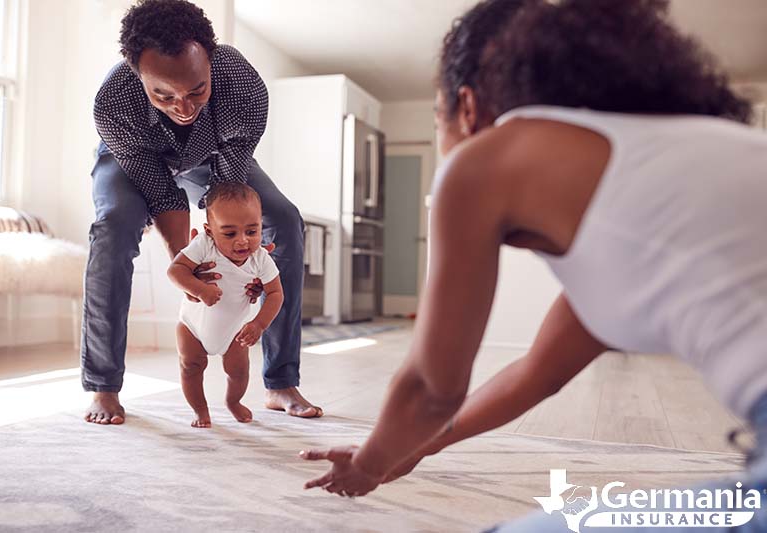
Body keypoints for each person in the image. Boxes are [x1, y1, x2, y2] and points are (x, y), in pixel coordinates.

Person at [300, 0, 767, 531]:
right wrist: (416, 448)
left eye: (436, 118)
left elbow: (432, 387)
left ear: (467, 108)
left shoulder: (482, 164)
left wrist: (369, 464)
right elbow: (536, 374)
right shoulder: (650, 204)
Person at [82, 0, 321, 424]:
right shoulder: (113, 102)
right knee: (114, 227)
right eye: (164, 95)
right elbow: (162, 193)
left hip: (213, 157)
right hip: (132, 157)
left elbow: (228, 192)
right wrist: (192, 270)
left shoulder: (242, 86)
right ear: (138, 74)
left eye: (196, 91)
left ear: (210, 61)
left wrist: (242, 259)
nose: (184, 107)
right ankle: (104, 387)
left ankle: (280, 382)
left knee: (283, 218)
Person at [167, 182, 283, 428]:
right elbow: (175, 271)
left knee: (239, 372)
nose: (242, 241)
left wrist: (259, 324)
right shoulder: (203, 246)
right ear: (209, 231)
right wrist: (199, 289)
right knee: (191, 366)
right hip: (193, 326)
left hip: (234, 330)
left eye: (252, 232)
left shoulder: (260, 259)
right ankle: (200, 410)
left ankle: (233, 402)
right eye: (229, 234)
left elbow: (275, 294)